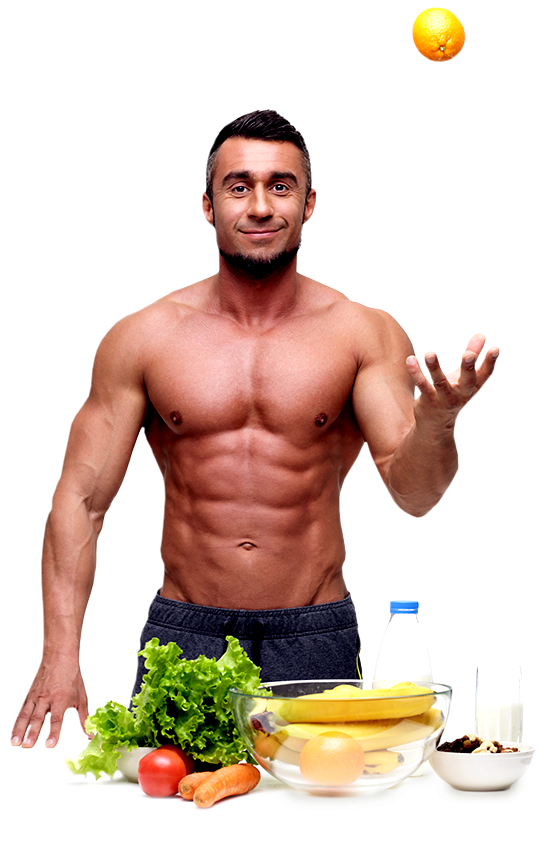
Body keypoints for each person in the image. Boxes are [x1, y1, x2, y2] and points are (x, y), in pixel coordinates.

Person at [11, 109, 500, 749]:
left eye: (281, 185)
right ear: (208, 206)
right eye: (239, 186)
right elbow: (79, 500)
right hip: (184, 633)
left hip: (314, 635)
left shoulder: (362, 331)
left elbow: (415, 496)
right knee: (173, 838)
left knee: (319, 839)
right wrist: (58, 654)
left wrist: (438, 422)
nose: (261, 205)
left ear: (310, 203)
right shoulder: (144, 337)